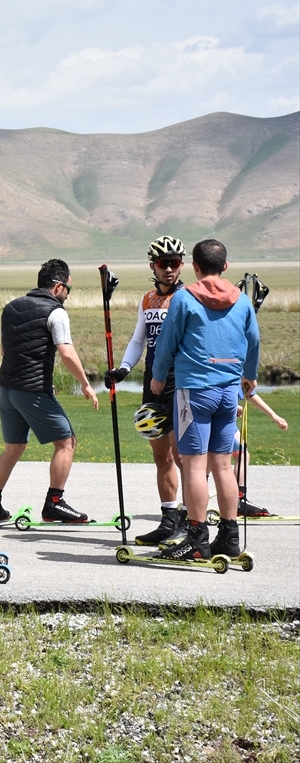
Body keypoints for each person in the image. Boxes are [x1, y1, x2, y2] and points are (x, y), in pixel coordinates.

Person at [151, 240, 260, 561]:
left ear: (195, 267)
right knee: (223, 465)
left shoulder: (184, 298)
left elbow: (167, 342)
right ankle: (229, 536)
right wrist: (249, 375)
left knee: (194, 466)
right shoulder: (241, 300)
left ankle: (197, 537)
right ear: (225, 266)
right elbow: (253, 340)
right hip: (228, 391)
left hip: (193, 390)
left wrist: (158, 377)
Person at [0, 259, 99, 523]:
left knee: (14, 446)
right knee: (66, 442)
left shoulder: (12, 307)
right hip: (31, 390)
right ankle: (54, 503)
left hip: (7, 389)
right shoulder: (56, 312)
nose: (68, 294)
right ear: (58, 286)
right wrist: (86, 384)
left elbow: (5, 349)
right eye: (68, 288)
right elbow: (66, 353)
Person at [105, 236, 188, 546]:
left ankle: (191, 523)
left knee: (185, 456)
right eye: (163, 263)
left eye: (175, 263)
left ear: (182, 266)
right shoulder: (147, 299)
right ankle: (168, 520)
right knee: (161, 455)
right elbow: (139, 340)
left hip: (181, 384)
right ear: (153, 266)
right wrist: (124, 369)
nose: (169, 269)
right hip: (152, 385)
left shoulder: (189, 297)